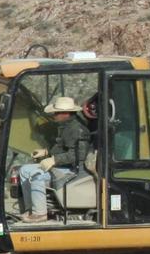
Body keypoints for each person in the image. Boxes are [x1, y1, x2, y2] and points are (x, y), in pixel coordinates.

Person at [16, 94, 94, 223]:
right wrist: (46, 152)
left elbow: (78, 155)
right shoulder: (65, 126)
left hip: (73, 170)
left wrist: (54, 160)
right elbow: (61, 148)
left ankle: (40, 214)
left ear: (66, 114)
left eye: (56, 112)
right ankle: (31, 208)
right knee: (24, 170)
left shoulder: (78, 130)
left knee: (37, 176)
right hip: (63, 166)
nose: (54, 115)